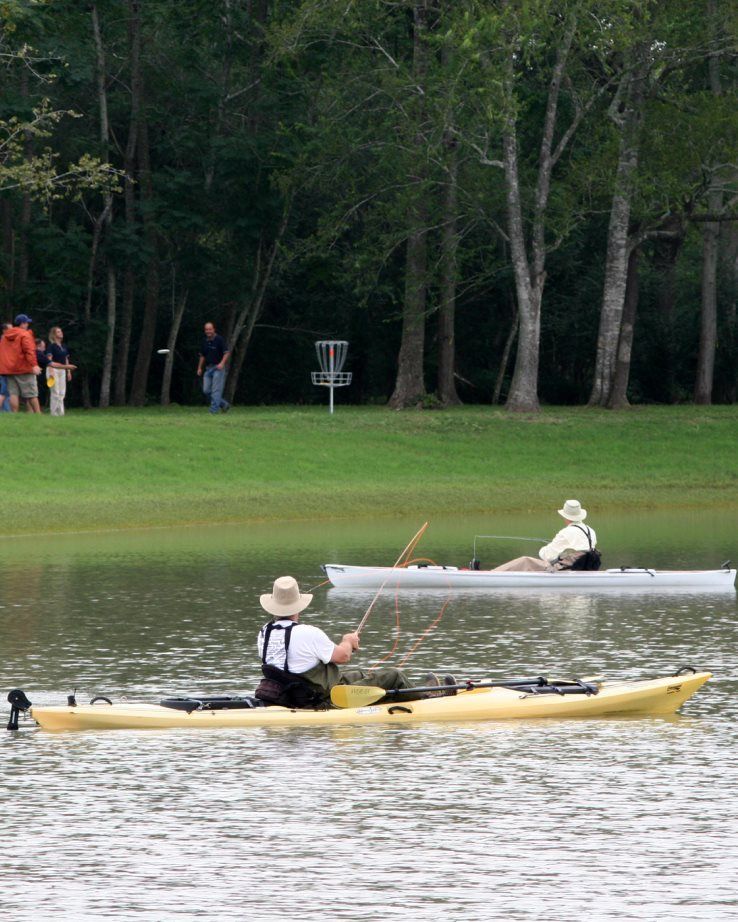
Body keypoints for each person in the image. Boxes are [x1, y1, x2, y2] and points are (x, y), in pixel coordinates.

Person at [255, 576, 455, 708]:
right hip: (322, 696)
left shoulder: (264, 633)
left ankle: (419, 692)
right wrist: (348, 640)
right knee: (394, 675)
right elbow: (343, 656)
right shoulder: (307, 633)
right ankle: (428, 700)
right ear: (298, 606)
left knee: (359, 675)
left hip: (294, 693)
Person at [493, 499, 599, 572]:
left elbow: (547, 556)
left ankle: (492, 574)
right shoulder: (591, 531)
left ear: (566, 517)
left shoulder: (565, 532)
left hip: (566, 569)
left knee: (525, 560)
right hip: (585, 568)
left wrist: (544, 549)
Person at [0, 314, 42, 413]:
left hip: (9, 370)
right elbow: (29, 351)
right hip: (23, 368)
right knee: (32, 394)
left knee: (13, 394)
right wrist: (34, 365)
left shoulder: (5, 336)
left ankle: (15, 414)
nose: (28, 324)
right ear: (22, 323)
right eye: (27, 322)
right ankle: (38, 415)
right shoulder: (25, 334)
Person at [196, 321, 231, 413]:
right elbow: (202, 355)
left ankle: (213, 411)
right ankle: (224, 404)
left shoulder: (219, 339)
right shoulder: (204, 341)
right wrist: (199, 368)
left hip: (218, 368)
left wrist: (222, 363)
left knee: (216, 390)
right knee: (206, 390)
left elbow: (226, 353)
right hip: (208, 369)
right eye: (206, 329)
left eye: (210, 329)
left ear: (213, 329)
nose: (208, 331)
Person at [45, 326, 77, 416]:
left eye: (61, 331)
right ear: (54, 335)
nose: (61, 333)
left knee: (62, 392)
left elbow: (66, 360)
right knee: (55, 392)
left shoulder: (64, 346)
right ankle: (54, 413)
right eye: (58, 332)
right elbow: (49, 360)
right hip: (53, 370)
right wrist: (51, 371)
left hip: (62, 370)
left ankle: (61, 413)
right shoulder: (51, 346)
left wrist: (68, 372)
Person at [0, 322, 11, 413]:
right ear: (4, 330)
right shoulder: (4, 341)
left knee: (6, 391)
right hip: (4, 369)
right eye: (10, 329)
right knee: (4, 391)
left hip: (5, 368)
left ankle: (5, 411)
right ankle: (6, 411)